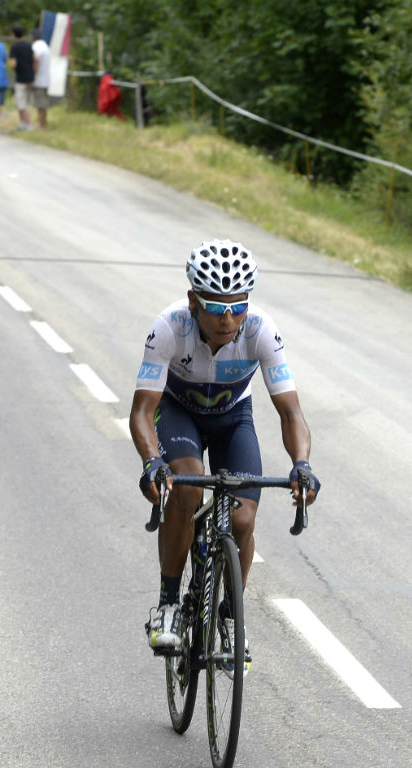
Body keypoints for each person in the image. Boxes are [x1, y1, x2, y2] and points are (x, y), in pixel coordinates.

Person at [131, 240, 320, 664]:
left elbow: (291, 412)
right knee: (186, 489)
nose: (229, 318)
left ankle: (231, 614)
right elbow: (142, 410)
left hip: (234, 418)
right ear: (193, 302)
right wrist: (151, 462)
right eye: (216, 308)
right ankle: (169, 606)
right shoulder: (168, 328)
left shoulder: (261, 331)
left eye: (238, 306)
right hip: (179, 414)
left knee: (243, 517)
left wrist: (301, 465)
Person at [7, 24, 34, 131]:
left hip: (20, 78)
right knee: (21, 101)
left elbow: (13, 63)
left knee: (21, 103)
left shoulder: (15, 47)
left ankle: (28, 124)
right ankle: (22, 123)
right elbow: (34, 59)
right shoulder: (29, 45)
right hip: (30, 77)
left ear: (13, 34)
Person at [30, 27, 51, 130]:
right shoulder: (45, 46)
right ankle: (42, 124)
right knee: (42, 104)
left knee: (41, 104)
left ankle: (42, 125)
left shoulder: (36, 47)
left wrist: (33, 75)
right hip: (46, 79)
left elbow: (36, 60)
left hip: (39, 80)